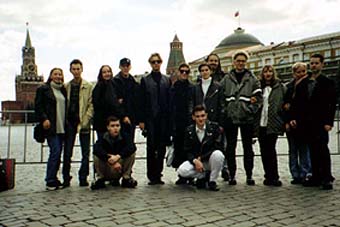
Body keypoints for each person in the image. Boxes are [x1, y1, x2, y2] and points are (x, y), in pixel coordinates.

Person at [220, 50, 262, 186]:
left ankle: (249, 175)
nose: (240, 63)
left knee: (248, 148)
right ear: (233, 62)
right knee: (230, 148)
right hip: (231, 118)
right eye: (238, 61)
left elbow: (259, 98)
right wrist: (225, 111)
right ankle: (232, 175)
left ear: (246, 62)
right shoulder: (226, 79)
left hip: (246, 118)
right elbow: (221, 97)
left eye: (243, 61)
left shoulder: (252, 78)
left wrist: (251, 110)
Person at [139, 53, 171, 185]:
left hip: (163, 118)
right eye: (153, 62)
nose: (156, 64)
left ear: (161, 63)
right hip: (150, 118)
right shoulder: (145, 80)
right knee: (151, 147)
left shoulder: (166, 80)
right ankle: (151, 175)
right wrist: (141, 121)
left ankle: (158, 173)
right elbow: (141, 101)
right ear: (150, 64)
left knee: (162, 147)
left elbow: (169, 101)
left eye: (158, 61)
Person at [177, 105, 225, 191]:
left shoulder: (214, 128)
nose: (200, 119)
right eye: (198, 116)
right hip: (197, 161)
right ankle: (203, 176)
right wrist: (195, 161)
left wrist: (201, 158)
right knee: (182, 170)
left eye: (203, 116)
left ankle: (212, 181)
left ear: (206, 115)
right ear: (193, 117)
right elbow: (187, 150)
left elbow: (218, 147)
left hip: (210, 160)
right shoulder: (189, 131)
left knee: (218, 155)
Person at [35, 68, 67, 190]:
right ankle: (49, 180)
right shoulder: (43, 89)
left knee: (58, 153)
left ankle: (54, 178)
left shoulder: (63, 90)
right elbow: (38, 106)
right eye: (55, 74)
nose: (58, 76)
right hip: (51, 127)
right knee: (55, 151)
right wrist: (44, 119)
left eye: (60, 74)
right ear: (51, 76)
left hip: (62, 127)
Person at [308, 53, 337, 190]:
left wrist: (329, 122)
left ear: (322, 64)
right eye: (312, 63)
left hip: (321, 122)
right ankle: (315, 176)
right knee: (312, 150)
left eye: (316, 63)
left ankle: (326, 177)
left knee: (322, 150)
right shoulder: (306, 81)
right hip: (309, 122)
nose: (313, 65)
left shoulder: (327, 82)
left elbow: (332, 104)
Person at [63, 59, 94, 187]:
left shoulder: (88, 86)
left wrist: (85, 122)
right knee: (67, 152)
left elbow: (91, 105)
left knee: (85, 152)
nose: (76, 71)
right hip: (69, 122)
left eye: (78, 69)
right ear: (70, 70)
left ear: (82, 69)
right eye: (74, 69)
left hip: (83, 122)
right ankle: (66, 177)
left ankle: (83, 177)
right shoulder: (66, 86)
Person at [254, 65, 285, 186]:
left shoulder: (279, 87)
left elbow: (284, 101)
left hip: (273, 122)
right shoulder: (258, 87)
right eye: (265, 71)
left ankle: (274, 176)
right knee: (263, 150)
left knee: (271, 150)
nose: (268, 74)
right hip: (261, 122)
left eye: (270, 71)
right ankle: (267, 175)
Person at [283, 62, 312, 185]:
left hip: (304, 123)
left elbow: (307, 106)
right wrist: (288, 120)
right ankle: (295, 174)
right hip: (291, 123)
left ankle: (305, 173)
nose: (301, 74)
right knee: (293, 150)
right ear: (294, 73)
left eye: (303, 71)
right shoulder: (289, 86)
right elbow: (285, 105)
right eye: (298, 72)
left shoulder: (309, 85)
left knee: (304, 150)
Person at [91, 116, 137, 190]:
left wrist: (118, 156)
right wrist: (109, 159)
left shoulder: (124, 136)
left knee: (132, 154)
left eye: (117, 126)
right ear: (108, 127)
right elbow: (96, 149)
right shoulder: (103, 137)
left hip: (120, 167)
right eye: (112, 126)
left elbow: (131, 147)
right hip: (107, 166)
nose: (115, 128)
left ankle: (126, 178)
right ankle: (100, 178)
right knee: (96, 156)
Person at [169, 63, 194, 184]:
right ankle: (181, 174)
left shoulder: (192, 88)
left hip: (189, 122)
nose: (184, 73)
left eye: (186, 71)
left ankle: (190, 175)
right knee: (178, 149)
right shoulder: (173, 88)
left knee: (189, 149)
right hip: (177, 123)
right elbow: (169, 106)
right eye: (182, 71)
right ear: (178, 72)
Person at [92, 65, 124, 141]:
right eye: (104, 72)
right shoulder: (98, 88)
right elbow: (97, 104)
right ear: (101, 74)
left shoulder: (115, 85)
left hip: (114, 122)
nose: (107, 74)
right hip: (102, 123)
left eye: (108, 71)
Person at [113, 58, 141, 141]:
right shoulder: (115, 82)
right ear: (120, 67)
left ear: (130, 67)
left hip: (131, 118)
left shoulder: (133, 82)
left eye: (127, 66)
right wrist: (123, 116)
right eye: (123, 66)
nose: (125, 68)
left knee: (130, 143)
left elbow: (136, 101)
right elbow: (115, 102)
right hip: (118, 119)